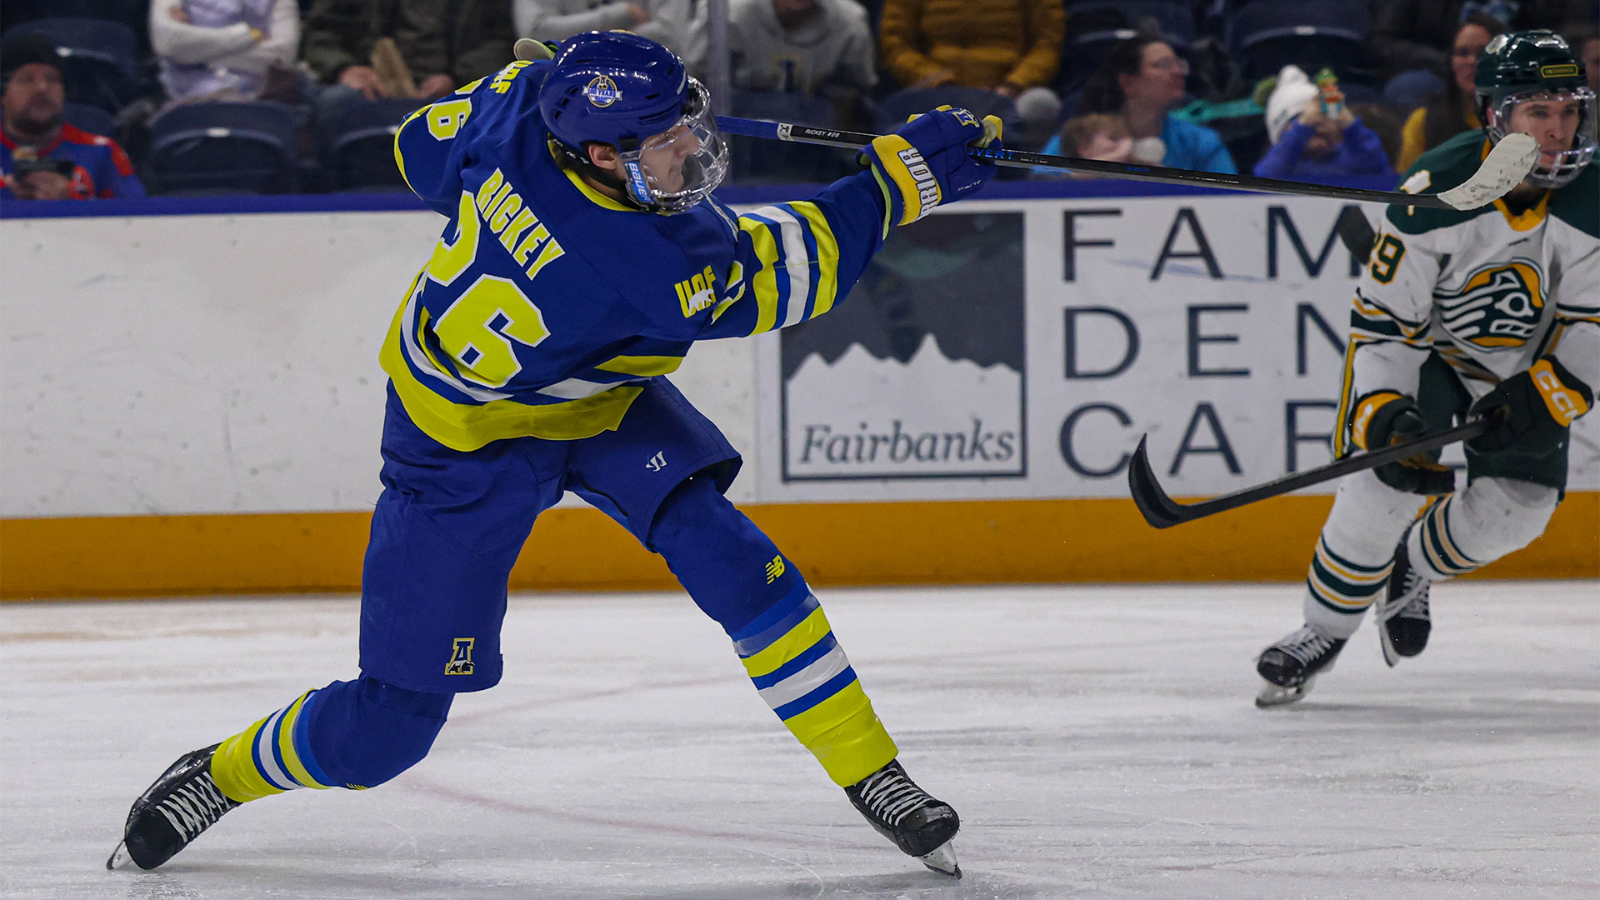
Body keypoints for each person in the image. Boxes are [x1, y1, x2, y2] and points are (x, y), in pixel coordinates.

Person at [107, 31, 1002, 878]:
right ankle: (220, 773)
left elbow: (419, 148)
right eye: (661, 143)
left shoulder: (517, 103)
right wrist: (897, 185)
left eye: (685, 122)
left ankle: (871, 770)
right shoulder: (655, 260)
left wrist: (516, 104)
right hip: (458, 449)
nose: (688, 149)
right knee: (388, 734)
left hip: (592, 401)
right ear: (601, 157)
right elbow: (794, 265)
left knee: (729, 555)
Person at [1253, 31, 1597, 708]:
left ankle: (1410, 566)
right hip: (1431, 353)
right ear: (1495, 114)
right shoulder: (1434, 190)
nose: (1558, 131)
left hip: (1526, 364)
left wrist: (1549, 391)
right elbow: (1384, 323)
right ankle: (1321, 630)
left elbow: (1594, 323)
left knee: (1518, 512)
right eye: (1539, 113)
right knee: (1387, 486)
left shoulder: (1597, 203)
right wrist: (1382, 408)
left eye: (1568, 111)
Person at [1039, 35, 1236, 174]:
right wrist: (1090, 174)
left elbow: (1232, 197)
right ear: (1128, 83)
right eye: (1164, 65)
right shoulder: (1082, 133)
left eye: (1179, 64)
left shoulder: (1200, 142)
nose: (1177, 72)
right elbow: (1037, 184)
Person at [878, 0, 1064, 142]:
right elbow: (896, 44)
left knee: (1041, 103)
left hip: (1010, 93)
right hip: (936, 91)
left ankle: (1032, 181)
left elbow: (1047, 44)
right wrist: (938, 81)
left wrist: (1014, 84)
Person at [1369, 0, 1596, 112]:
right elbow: (1384, 37)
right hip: (1437, 70)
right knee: (1409, 88)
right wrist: (1450, 60)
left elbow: (1571, 31)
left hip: (1532, 73)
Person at [0, 33, 145, 201]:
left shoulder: (103, 152)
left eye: (52, 79)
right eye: (27, 80)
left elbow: (137, 220)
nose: (42, 88)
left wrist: (72, 198)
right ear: (3, 94)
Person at [300, 0, 514, 106]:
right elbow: (319, 32)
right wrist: (345, 69)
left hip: (458, 91)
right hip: (371, 89)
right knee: (337, 105)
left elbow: (502, 41)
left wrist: (459, 79)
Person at [1396, 15, 1506, 172]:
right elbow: (1405, 189)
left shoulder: (1529, 122)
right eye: (1462, 53)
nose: (1471, 61)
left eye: (1483, 52)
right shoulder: (1422, 122)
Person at [717, 0, 877, 103]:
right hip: (738, 128)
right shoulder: (726, 15)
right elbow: (700, 84)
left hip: (816, 136)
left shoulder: (850, 23)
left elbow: (858, 92)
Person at [1255, 66, 1392, 182]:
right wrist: (1302, 129)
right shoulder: (1279, 163)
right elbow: (1265, 178)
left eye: (1324, 115)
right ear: (1280, 131)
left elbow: (1378, 171)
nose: (1318, 124)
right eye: (1303, 117)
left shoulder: (1352, 159)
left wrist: (1350, 125)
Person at [149, 0, 301, 105]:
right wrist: (250, 35)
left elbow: (281, 56)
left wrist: (193, 52)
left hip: (259, 102)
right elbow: (168, 43)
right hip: (182, 101)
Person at [513, 0, 693, 59]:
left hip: (651, 86)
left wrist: (581, 40)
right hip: (567, 88)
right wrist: (621, 13)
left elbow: (670, 35)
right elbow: (537, 34)